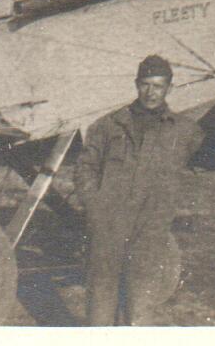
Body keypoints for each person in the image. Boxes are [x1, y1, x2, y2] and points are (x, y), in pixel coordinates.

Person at [74, 54, 205, 325]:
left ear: (169, 88)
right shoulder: (109, 125)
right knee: (101, 299)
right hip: (109, 225)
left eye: (158, 86)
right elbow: (85, 167)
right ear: (136, 85)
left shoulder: (184, 131)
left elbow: (214, 153)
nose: (151, 92)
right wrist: (95, 207)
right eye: (145, 84)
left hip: (150, 229)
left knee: (140, 301)